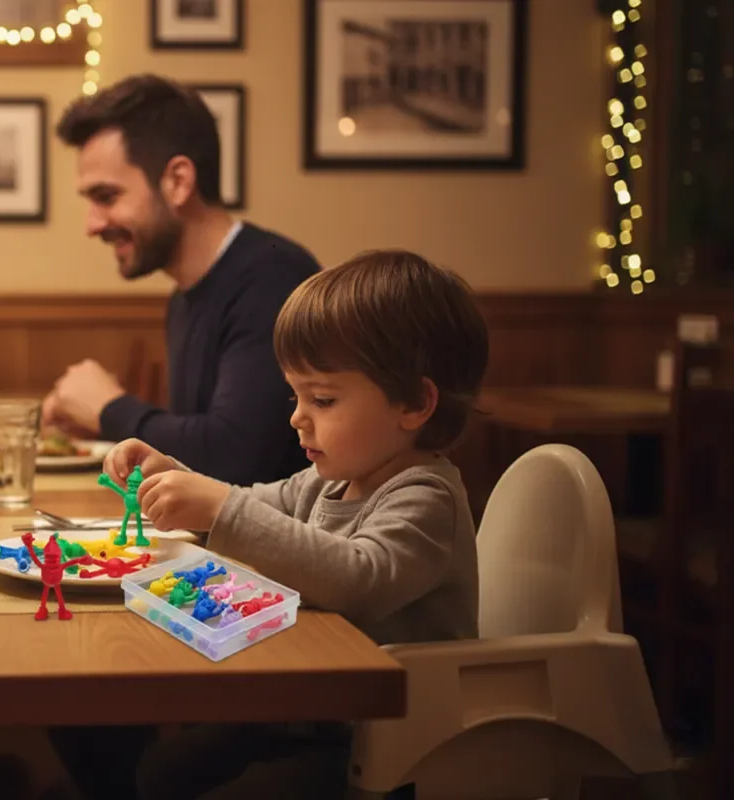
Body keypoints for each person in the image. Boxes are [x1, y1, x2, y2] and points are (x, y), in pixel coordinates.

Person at [59, 250, 490, 799]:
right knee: (164, 769)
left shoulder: (426, 496)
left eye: (323, 398)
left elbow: (360, 577)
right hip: (309, 713)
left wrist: (218, 507)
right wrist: (174, 476)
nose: (297, 416)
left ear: (414, 402)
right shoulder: (326, 480)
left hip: (389, 747)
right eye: (295, 395)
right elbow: (251, 506)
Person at [45, 73, 321, 486]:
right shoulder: (184, 296)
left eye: (106, 197)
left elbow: (234, 461)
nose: (92, 224)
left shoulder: (274, 279)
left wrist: (109, 409)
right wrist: (100, 422)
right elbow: (200, 445)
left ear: (178, 181)